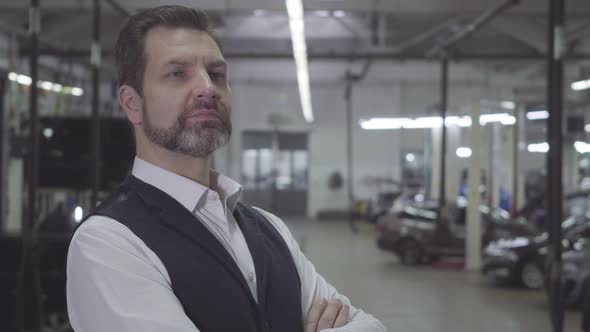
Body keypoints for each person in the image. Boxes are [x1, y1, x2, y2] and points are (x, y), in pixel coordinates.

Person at [66, 5, 386, 332]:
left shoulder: (270, 229)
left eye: (217, 74)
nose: (207, 87)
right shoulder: (108, 242)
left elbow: (371, 327)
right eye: (178, 73)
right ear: (132, 103)